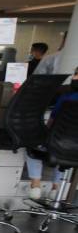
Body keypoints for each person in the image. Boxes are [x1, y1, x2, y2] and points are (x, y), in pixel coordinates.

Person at [24, 67, 78, 198]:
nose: (74, 77)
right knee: (66, 155)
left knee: (32, 144)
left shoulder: (67, 98)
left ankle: (36, 185)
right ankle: (56, 188)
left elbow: (52, 123)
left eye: (77, 74)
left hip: (58, 143)